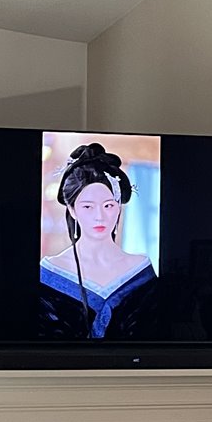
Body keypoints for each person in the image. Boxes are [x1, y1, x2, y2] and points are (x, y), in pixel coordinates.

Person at [39, 142, 157, 338]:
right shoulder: (49, 273)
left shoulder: (141, 271)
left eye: (108, 205)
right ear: (72, 210)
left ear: (119, 206)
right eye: (88, 207)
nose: (99, 216)